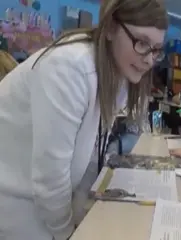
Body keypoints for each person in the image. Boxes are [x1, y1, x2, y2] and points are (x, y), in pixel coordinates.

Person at [0, 0, 168, 239]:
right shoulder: (70, 67)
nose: (150, 60)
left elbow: (90, 155)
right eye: (141, 42)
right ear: (110, 28)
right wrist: (68, 232)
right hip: (14, 203)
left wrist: (83, 217)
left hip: (43, 202)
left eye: (156, 49)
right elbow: (50, 179)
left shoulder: (117, 75)